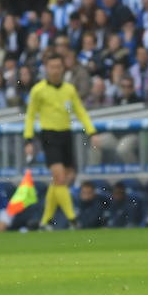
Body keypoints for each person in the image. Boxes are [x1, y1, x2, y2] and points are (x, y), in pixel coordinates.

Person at [22, 53, 98, 229]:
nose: (55, 71)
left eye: (58, 67)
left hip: (66, 134)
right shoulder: (38, 90)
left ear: (63, 69)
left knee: (62, 179)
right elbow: (30, 116)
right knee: (60, 177)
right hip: (49, 135)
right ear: (46, 69)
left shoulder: (69, 90)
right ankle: (73, 219)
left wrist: (92, 131)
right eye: (52, 67)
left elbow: (80, 111)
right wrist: (28, 139)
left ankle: (44, 221)